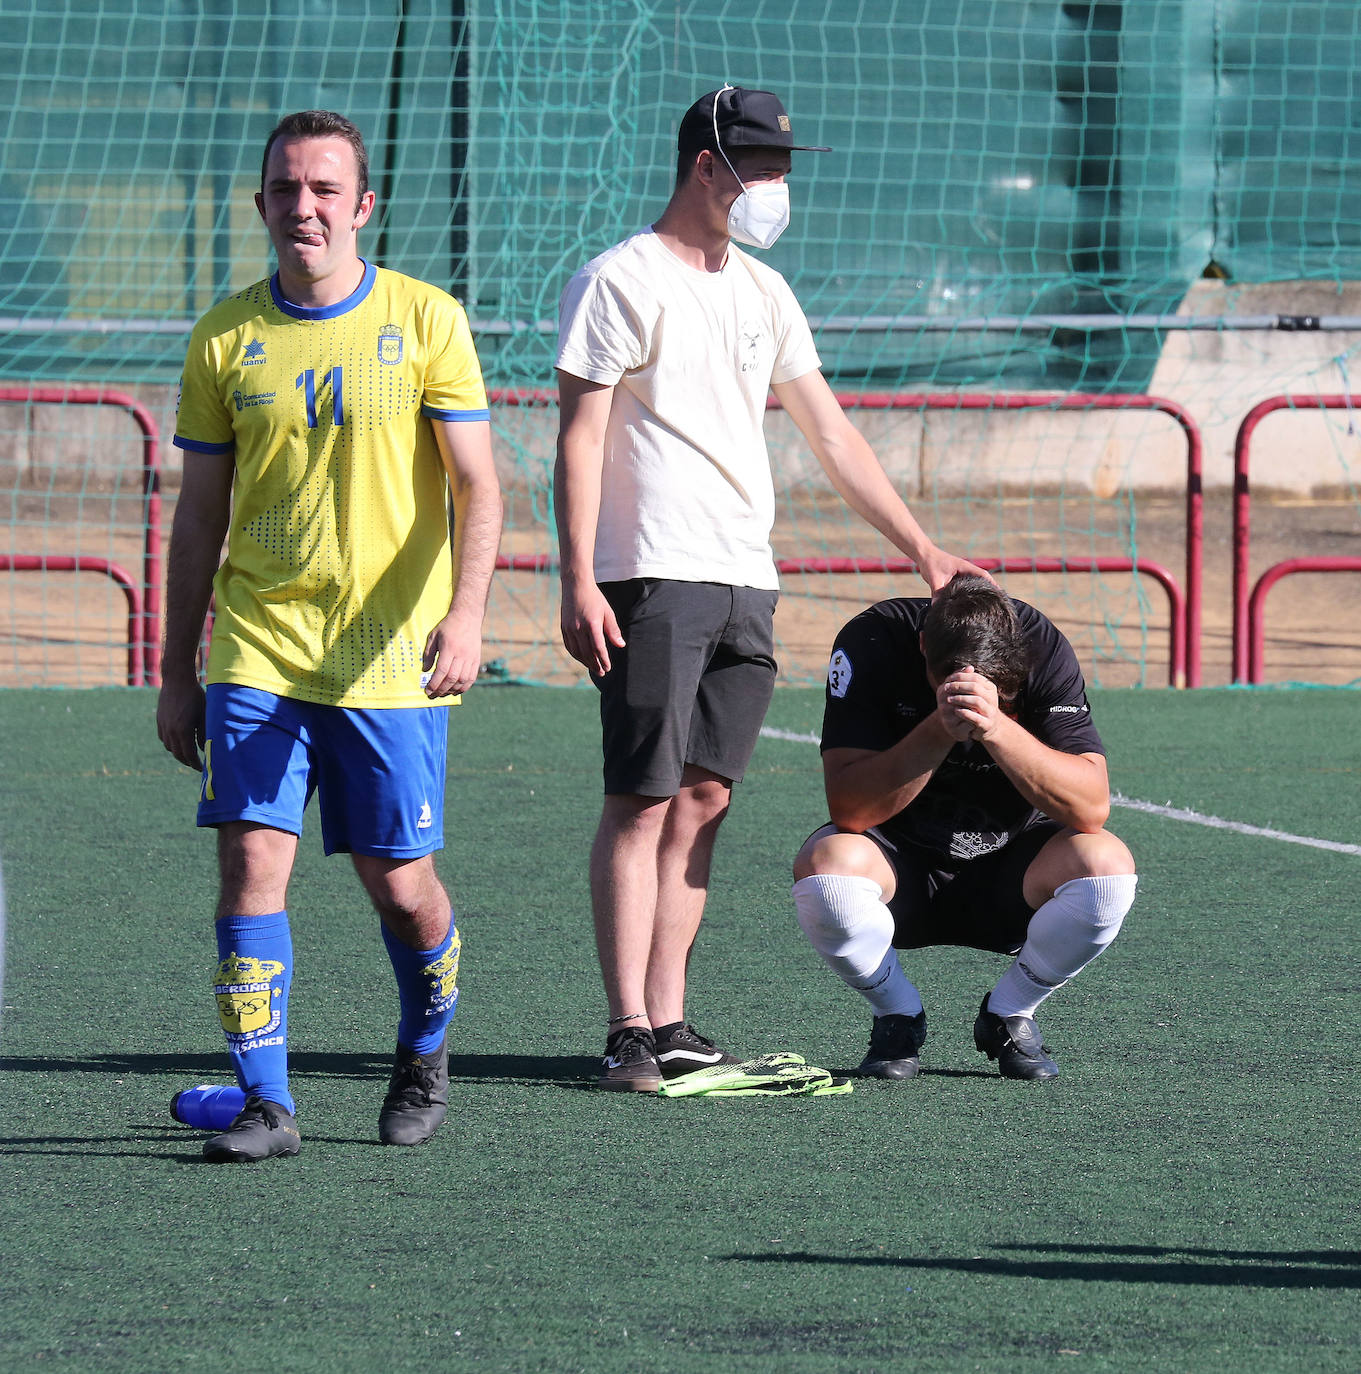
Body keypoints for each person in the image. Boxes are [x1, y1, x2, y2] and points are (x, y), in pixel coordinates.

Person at [553, 85, 990, 1091]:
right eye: (759, 165)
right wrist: (576, 577)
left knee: (703, 798)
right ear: (704, 164)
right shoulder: (617, 280)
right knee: (640, 798)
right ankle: (625, 1029)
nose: (774, 186)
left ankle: (669, 1020)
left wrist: (922, 549)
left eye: (782, 165)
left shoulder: (762, 291)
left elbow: (829, 431)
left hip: (747, 579)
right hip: (652, 573)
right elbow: (577, 439)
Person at [156, 110, 502, 1160]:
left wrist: (466, 613)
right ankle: (267, 1103)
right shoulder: (224, 337)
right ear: (261, 203)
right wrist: (178, 670)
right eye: (282, 189)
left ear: (361, 206)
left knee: (401, 889)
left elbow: (479, 487)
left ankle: (422, 1055)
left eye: (321, 190)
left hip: (390, 659)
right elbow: (198, 517)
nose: (300, 206)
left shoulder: (425, 318)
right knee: (251, 864)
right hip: (260, 648)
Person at [791, 575, 1138, 1080]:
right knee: (827, 870)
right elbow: (850, 808)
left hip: (1013, 869)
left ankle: (1011, 1012)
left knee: (1106, 866)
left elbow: (1090, 808)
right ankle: (898, 1014)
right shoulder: (876, 639)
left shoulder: (1042, 643)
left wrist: (997, 727)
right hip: (898, 863)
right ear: (924, 646)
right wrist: (937, 729)